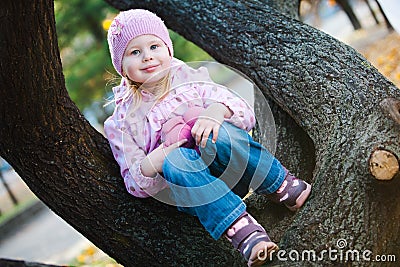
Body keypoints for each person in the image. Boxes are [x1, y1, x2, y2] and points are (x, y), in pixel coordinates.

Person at [104, 9, 312, 266]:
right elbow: (133, 182)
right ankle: (243, 231)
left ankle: (280, 184)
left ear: (168, 49)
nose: (147, 57)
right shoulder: (122, 121)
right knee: (176, 161)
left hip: (230, 166)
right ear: (122, 66)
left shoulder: (190, 78)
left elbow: (244, 113)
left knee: (220, 131)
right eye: (134, 52)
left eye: (154, 46)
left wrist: (215, 112)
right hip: (195, 190)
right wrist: (154, 161)